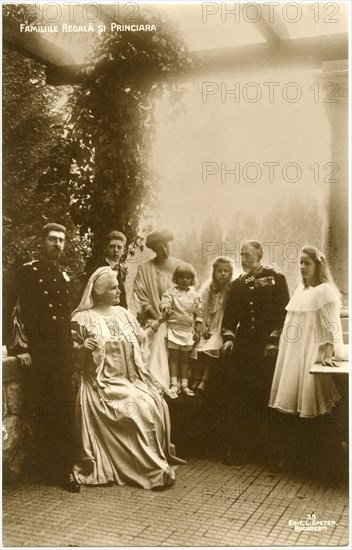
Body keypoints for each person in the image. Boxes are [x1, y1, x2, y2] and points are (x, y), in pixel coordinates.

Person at [71, 266, 185, 490]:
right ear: (100, 290)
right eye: (114, 288)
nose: (119, 292)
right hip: (101, 384)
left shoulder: (123, 313)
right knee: (136, 408)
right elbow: (73, 357)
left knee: (154, 402)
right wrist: (83, 348)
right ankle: (149, 469)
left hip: (130, 380)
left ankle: (151, 461)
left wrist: (160, 321)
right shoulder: (82, 319)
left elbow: (141, 338)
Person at [14, 223, 79, 492]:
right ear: (43, 242)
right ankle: (46, 467)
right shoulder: (27, 272)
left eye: (62, 240)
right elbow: (14, 311)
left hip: (61, 353)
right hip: (38, 352)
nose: (58, 244)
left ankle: (64, 468)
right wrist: (21, 347)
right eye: (53, 239)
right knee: (42, 409)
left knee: (63, 409)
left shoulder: (64, 275)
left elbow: (66, 317)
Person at [221, 240, 290, 464]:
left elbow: (284, 313)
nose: (243, 259)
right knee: (241, 397)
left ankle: (270, 453)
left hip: (266, 347)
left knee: (266, 397)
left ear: (259, 255)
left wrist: (273, 341)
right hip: (244, 348)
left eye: (247, 254)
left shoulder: (275, 278)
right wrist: (229, 339)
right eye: (241, 254)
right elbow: (230, 317)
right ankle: (240, 450)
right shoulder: (238, 284)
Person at [269, 246, 343, 418]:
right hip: (294, 349)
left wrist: (327, 355)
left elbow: (331, 326)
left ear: (318, 266)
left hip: (311, 347)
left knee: (310, 390)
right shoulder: (300, 291)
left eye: (307, 263)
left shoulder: (324, 291)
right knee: (292, 390)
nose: (302, 267)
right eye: (300, 263)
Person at [133, 229, 183, 388]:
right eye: (160, 248)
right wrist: (159, 319)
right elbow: (141, 297)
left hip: (179, 318)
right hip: (154, 318)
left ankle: (178, 383)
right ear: (154, 249)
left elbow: (187, 295)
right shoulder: (145, 269)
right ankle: (156, 383)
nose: (165, 251)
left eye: (167, 246)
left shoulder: (180, 266)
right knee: (157, 334)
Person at [191, 257, 234, 393]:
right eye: (219, 271)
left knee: (211, 347)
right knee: (198, 348)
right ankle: (196, 377)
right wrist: (202, 327)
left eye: (226, 271)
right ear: (214, 273)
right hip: (206, 321)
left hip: (220, 323)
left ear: (230, 273)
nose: (223, 274)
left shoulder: (231, 289)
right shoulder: (208, 288)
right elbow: (201, 308)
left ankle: (205, 378)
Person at [160, 263, 203, 397]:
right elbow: (164, 303)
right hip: (173, 329)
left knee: (185, 360)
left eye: (188, 277)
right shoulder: (170, 293)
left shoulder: (195, 296)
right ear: (176, 278)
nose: (185, 280)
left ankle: (184, 385)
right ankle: (174, 384)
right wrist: (165, 307)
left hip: (187, 331)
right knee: (173, 358)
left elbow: (199, 312)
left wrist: (198, 327)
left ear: (191, 279)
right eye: (181, 277)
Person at [78, 230, 128, 308]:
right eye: (112, 246)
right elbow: (85, 296)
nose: (116, 250)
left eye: (119, 247)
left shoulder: (122, 272)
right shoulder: (97, 270)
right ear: (105, 248)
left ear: (123, 251)